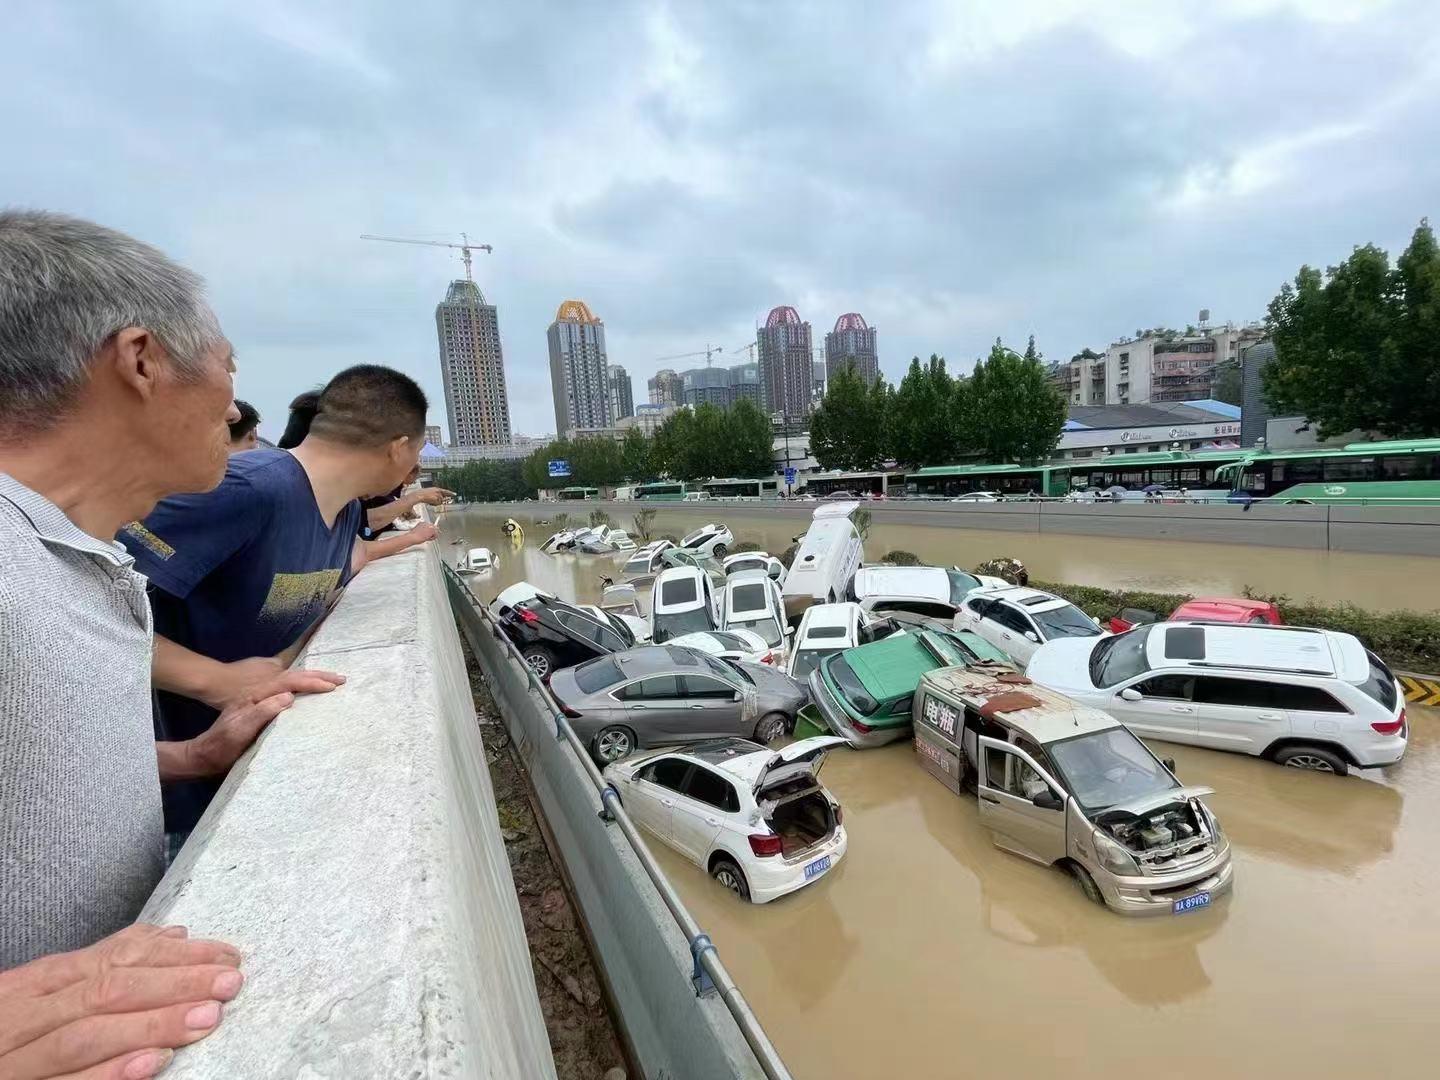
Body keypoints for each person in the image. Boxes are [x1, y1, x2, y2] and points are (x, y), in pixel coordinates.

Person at [0, 211, 335, 1063]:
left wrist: (190, 759)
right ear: (142, 359)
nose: (232, 401)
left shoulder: (80, 559)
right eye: (228, 367)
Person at [121, 365, 438, 843]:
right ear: (398, 448)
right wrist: (216, 681)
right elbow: (80, 607)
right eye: (416, 451)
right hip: (160, 799)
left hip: (237, 778)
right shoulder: (245, 488)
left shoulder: (345, 507)